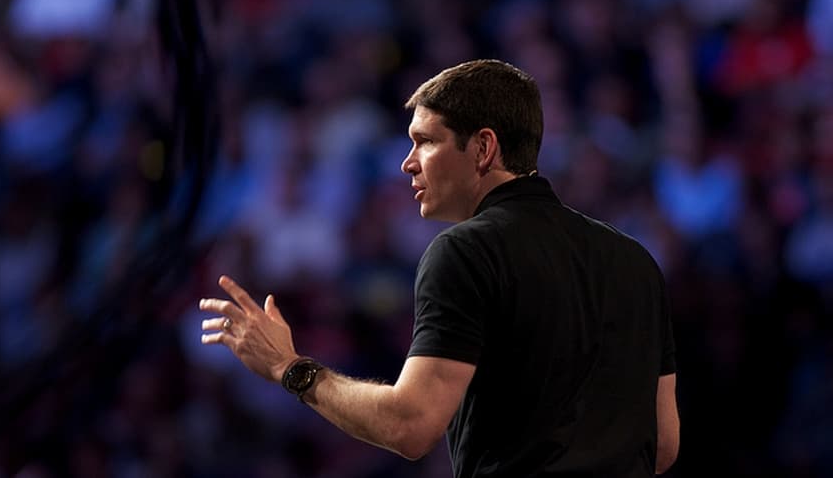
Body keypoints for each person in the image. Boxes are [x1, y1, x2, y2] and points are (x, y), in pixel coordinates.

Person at [199, 59, 680, 477]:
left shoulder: (466, 251)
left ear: (483, 148)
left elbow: (411, 425)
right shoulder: (635, 260)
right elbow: (662, 446)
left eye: (425, 142)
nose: (407, 163)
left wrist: (290, 367)